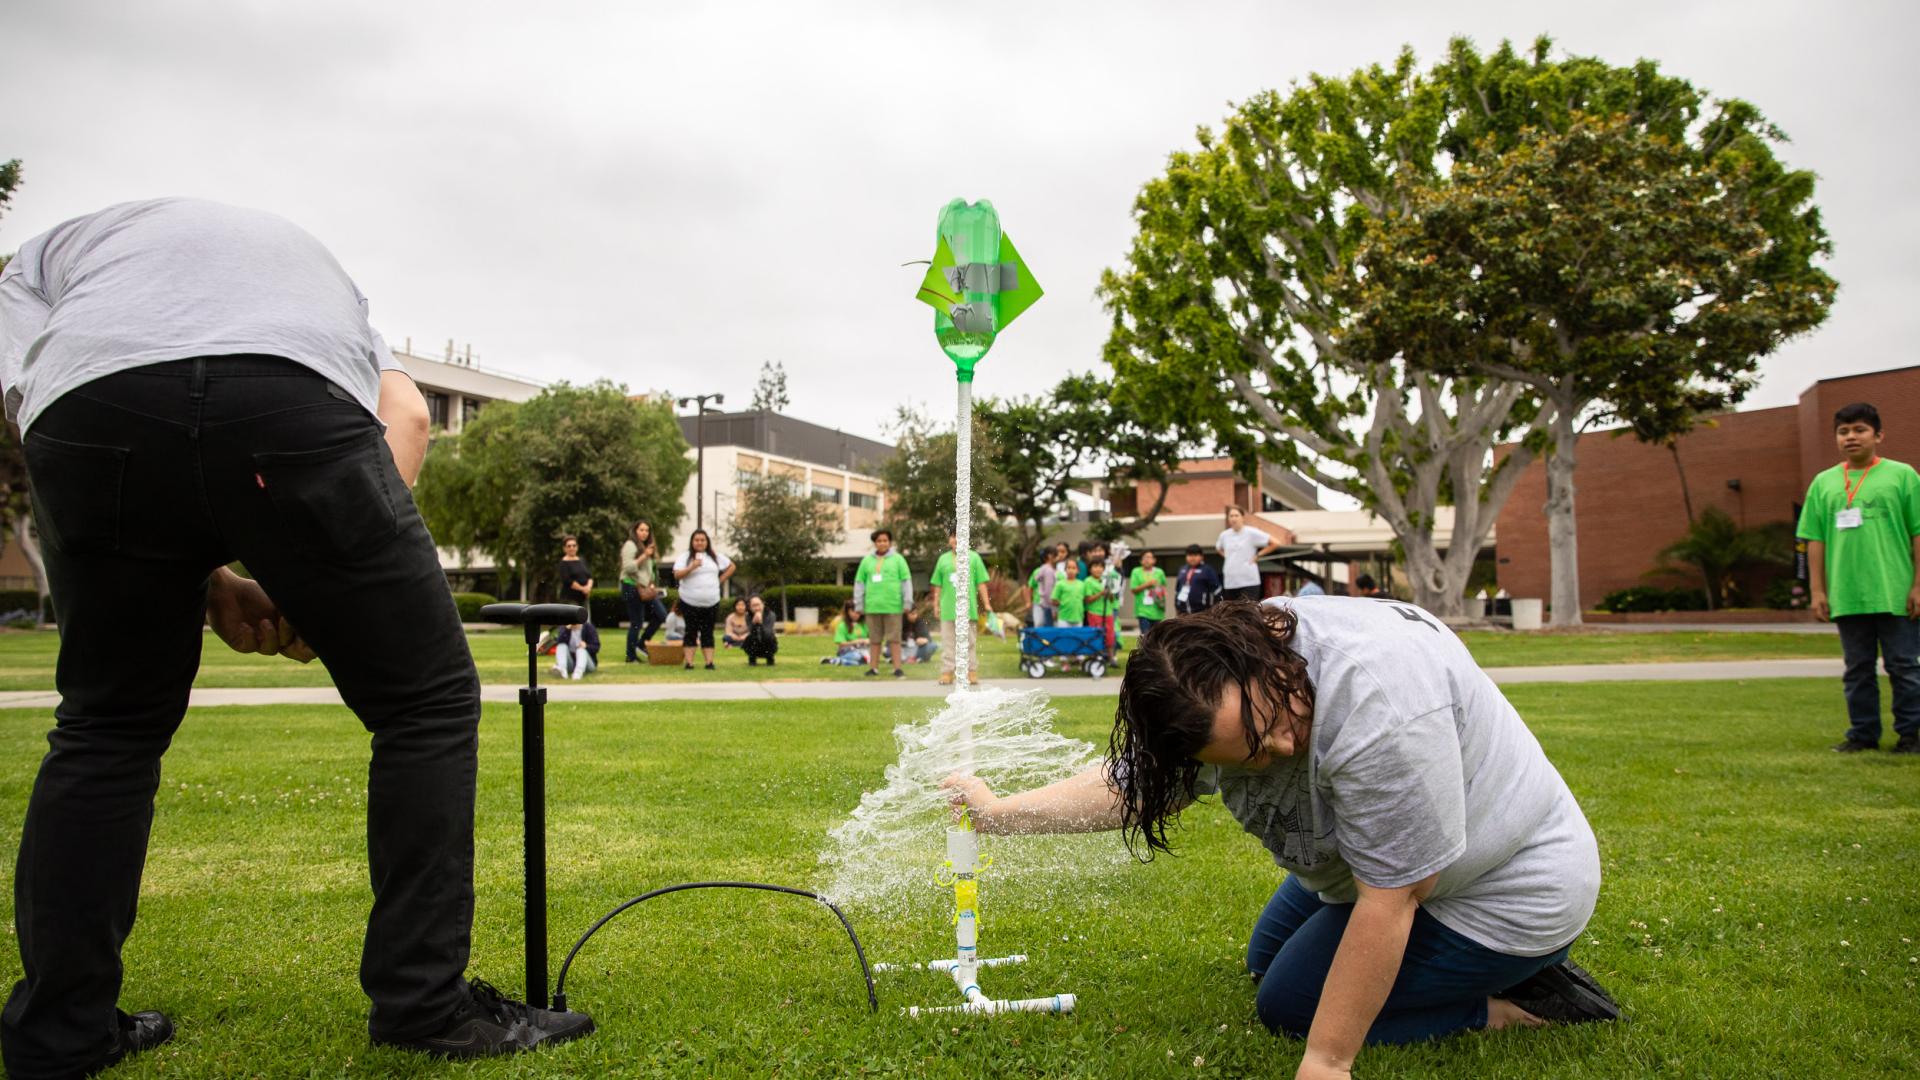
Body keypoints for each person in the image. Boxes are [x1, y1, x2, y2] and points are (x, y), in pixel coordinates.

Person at [0, 196, 592, 1075]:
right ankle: (422, 1004)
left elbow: (31, 401)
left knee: (107, 726)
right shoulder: (317, 283)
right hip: (284, 398)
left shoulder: (38, 263)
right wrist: (320, 571)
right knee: (425, 703)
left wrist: (204, 579)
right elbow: (412, 417)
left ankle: (60, 1030)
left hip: (90, 407)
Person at [943, 599, 1617, 1077]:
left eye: (1280, 719)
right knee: (1269, 956)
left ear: (1271, 657)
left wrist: (1327, 1062)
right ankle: (1470, 974)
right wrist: (1003, 813)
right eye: (1255, 755)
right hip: (1392, 866)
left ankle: (1517, 1000)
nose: (1291, 744)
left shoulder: (1381, 706)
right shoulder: (1215, 671)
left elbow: (1395, 897)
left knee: (1291, 1006)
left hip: (1512, 887)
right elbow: (1133, 786)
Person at [1797, 401, 1920, 754]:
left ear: (1878, 435)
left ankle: (1911, 735)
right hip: (1847, 594)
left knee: (1904, 667)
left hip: (1895, 590)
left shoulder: (1903, 475)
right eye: (1843, 431)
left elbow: (1918, 531)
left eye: (1860, 430)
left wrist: (1917, 584)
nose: (1851, 437)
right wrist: (1818, 591)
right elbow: (1814, 539)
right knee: (1857, 670)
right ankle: (1863, 735)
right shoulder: (1824, 483)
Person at [929, 529, 992, 686]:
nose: (956, 539)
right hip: (948, 608)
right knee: (948, 642)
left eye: (959, 535)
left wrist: (987, 604)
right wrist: (935, 605)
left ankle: (971, 672)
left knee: (969, 641)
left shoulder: (974, 557)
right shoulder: (943, 559)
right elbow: (937, 585)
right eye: (953, 536)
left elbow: (981, 583)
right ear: (949, 539)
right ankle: (947, 672)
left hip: (967, 608)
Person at [853, 529, 913, 679]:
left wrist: (907, 602)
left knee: (894, 639)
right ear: (875, 543)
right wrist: (858, 604)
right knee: (874, 639)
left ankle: (897, 668)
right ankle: (873, 668)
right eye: (879, 541)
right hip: (872, 606)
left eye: (885, 540)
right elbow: (859, 584)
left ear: (890, 542)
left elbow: (906, 582)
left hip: (893, 606)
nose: (882, 543)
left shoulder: (898, 560)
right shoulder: (867, 561)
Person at [671, 529, 734, 670]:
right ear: (692, 542)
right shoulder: (685, 557)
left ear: (707, 542)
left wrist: (720, 580)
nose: (699, 542)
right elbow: (677, 575)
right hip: (689, 601)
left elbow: (731, 566)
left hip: (711, 602)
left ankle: (709, 662)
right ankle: (689, 663)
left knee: (707, 632)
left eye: (702, 540)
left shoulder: (715, 556)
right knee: (691, 631)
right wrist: (691, 567)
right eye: (696, 540)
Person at [619, 520, 667, 663]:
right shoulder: (630, 545)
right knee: (636, 623)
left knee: (661, 615)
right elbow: (628, 568)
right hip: (630, 586)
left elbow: (649, 571)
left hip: (645, 588)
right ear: (635, 531)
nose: (644, 533)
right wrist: (644, 555)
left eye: (647, 530)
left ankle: (641, 643)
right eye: (641, 530)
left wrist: (652, 584)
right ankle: (630, 656)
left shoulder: (647, 546)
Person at [1216, 507, 1282, 602]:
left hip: (1249, 581)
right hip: (1230, 581)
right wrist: (1228, 557)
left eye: (1236, 515)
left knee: (1248, 611)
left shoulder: (1251, 532)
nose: (1234, 518)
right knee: (1232, 613)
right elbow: (1218, 548)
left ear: (1243, 517)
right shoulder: (1224, 535)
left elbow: (1275, 543)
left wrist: (1258, 555)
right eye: (1231, 516)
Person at [1084, 555, 1119, 658]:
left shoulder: (1106, 580)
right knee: (1096, 635)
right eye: (1095, 566)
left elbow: (1112, 600)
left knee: (1110, 636)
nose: (1098, 569)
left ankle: (1111, 658)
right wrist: (1101, 593)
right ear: (1090, 569)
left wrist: (1110, 593)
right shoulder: (1088, 581)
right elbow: (1087, 599)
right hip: (1094, 612)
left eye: (1100, 566)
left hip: (1108, 612)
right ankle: (1095, 656)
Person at [1130, 549, 1168, 639]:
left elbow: (1163, 587)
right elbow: (1133, 590)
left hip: (1157, 609)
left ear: (1154, 560)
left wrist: (1160, 591)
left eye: (1149, 557)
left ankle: (1156, 653)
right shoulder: (1136, 572)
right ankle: (1145, 652)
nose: (1147, 560)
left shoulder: (1159, 572)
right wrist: (1147, 584)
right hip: (1142, 610)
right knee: (1145, 635)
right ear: (1140, 561)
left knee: (1157, 636)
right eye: (1144, 558)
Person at [1175, 544, 1223, 616]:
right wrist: (1177, 607)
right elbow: (1177, 591)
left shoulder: (1207, 570)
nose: (1192, 558)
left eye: (1195, 555)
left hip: (1203, 612)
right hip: (1183, 612)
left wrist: (1214, 611)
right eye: (1190, 555)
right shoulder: (1182, 570)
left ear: (1201, 557)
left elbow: (1217, 591)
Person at [823, 600, 870, 666]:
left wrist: (869, 641)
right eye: (853, 611)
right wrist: (857, 641)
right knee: (858, 657)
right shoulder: (842, 625)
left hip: (864, 650)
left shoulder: (864, 624)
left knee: (866, 659)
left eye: (858, 612)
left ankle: (837, 661)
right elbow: (841, 644)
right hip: (847, 651)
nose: (855, 614)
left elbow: (872, 639)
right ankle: (841, 660)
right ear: (847, 611)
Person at [1028, 548, 1060, 628]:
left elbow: (1037, 579)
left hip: (1048, 602)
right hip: (1047, 603)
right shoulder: (1048, 570)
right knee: (1045, 626)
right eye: (1055, 555)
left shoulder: (1047, 570)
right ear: (1049, 556)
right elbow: (1047, 591)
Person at [743, 595, 779, 666]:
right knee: (749, 638)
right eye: (753, 606)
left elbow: (767, 632)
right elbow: (751, 631)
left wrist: (761, 623)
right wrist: (753, 623)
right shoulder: (748, 616)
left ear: (763, 604)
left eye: (758, 605)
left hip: (768, 644)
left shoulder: (771, 615)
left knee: (769, 637)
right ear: (750, 607)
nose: (756, 608)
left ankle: (770, 659)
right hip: (755, 644)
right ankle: (752, 659)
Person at [1052, 558, 1086, 627]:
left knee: (1077, 637)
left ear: (1078, 571)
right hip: (1063, 617)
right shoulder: (1060, 584)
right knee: (1063, 637)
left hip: (1078, 617)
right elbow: (1054, 600)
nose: (1071, 570)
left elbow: (1084, 599)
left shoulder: (1082, 584)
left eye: (1074, 568)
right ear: (1065, 570)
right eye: (1069, 568)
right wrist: (1063, 604)